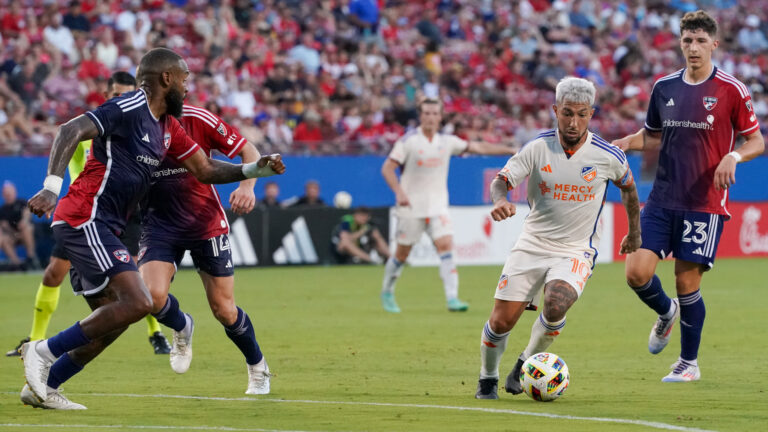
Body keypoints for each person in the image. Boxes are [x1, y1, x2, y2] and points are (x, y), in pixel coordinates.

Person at [21, 47, 286, 410]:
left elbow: (205, 170)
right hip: (87, 217)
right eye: (184, 79)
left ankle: (45, 386)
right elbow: (70, 128)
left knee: (114, 321)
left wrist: (256, 172)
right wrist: (52, 187)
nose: (188, 87)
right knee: (142, 300)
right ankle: (41, 351)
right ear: (166, 79)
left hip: (115, 227)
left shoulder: (167, 126)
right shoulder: (129, 106)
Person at [612, 10, 764, 383]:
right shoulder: (664, 87)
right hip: (662, 198)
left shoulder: (732, 89)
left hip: (704, 202)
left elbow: (757, 141)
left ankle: (688, 364)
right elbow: (652, 135)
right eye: (687, 41)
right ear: (680, 43)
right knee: (636, 272)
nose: (693, 48)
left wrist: (733, 156)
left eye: (700, 41)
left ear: (714, 44)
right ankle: (666, 313)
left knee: (686, 283)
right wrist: (622, 145)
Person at [475, 77, 641, 399]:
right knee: (501, 322)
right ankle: (487, 378)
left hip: (575, 250)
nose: (573, 122)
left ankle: (525, 362)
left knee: (556, 304)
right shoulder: (538, 148)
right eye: (567, 113)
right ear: (555, 110)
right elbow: (501, 181)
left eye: (581, 114)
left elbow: (630, 191)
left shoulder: (608, 156)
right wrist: (499, 200)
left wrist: (634, 233)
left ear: (591, 114)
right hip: (533, 243)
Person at [6, 72, 172, 359]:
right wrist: (54, 191)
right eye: (116, 94)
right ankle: (35, 340)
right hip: (88, 212)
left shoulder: (142, 128)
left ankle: (155, 333)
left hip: (126, 214)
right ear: (106, 95)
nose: (122, 99)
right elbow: (74, 164)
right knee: (53, 274)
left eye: (127, 94)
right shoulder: (92, 130)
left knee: (134, 279)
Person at [138, 102, 272, 394]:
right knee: (150, 296)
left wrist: (247, 187)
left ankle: (257, 366)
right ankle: (182, 325)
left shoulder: (197, 118)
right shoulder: (133, 121)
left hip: (204, 223)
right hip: (158, 225)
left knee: (224, 310)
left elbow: (249, 150)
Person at [380, 98, 515, 313]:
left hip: (438, 206)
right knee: (402, 254)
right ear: (420, 116)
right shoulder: (408, 142)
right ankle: (387, 291)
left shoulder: (447, 142)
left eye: (435, 113)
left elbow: (478, 146)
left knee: (446, 247)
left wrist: (509, 149)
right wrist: (399, 192)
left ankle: (452, 298)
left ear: (440, 117)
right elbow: (387, 167)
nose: (431, 117)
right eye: (427, 113)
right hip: (411, 208)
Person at [0, 181, 39, 269]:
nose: (8, 195)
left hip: (25, 232)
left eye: (10, 193)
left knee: (27, 228)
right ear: (3, 195)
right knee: (4, 240)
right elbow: (3, 225)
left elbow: (27, 212)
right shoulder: (2, 210)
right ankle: (17, 263)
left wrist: (24, 221)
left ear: (14, 192)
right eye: (6, 194)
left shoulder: (21, 202)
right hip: (12, 235)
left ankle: (31, 257)